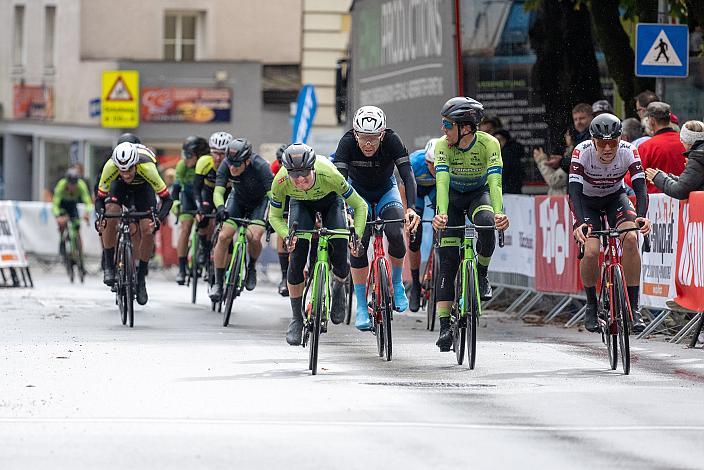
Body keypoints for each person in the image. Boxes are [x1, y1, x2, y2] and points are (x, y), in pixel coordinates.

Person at [268, 143, 368, 346]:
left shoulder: (330, 174)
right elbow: (274, 216)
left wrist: (355, 236)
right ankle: (296, 318)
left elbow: (360, 205)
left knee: (340, 256)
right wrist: (287, 235)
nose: (301, 179)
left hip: (331, 201)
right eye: (294, 175)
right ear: (287, 172)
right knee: (296, 258)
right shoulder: (280, 181)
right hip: (300, 205)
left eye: (305, 173)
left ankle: (339, 285)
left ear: (313, 167)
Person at [432, 97, 510, 352]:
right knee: (448, 261)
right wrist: (441, 213)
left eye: (447, 124)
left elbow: (495, 182)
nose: (443, 129)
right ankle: (444, 326)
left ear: (465, 127)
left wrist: (499, 213)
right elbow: (441, 182)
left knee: (487, 224)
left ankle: (482, 274)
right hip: (452, 199)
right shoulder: (444, 146)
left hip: (479, 194)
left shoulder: (489, 144)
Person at [333, 105, 420, 331]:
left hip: (385, 190)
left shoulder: (392, 140)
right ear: (355, 134)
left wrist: (411, 208)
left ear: (382, 135)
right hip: (357, 194)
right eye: (363, 138)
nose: (368, 144)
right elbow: (340, 182)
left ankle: (398, 284)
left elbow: (408, 175)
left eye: (373, 138)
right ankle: (362, 306)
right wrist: (345, 213)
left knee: (395, 231)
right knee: (359, 244)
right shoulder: (346, 143)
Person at [568, 113, 651, 334]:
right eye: (602, 143)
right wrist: (578, 223)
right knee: (592, 251)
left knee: (631, 238)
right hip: (586, 201)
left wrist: (641, 216)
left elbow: (641, 188)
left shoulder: (628, 151)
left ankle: (634, 307)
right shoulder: (581, 152)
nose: (607, 148)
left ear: (620, 138)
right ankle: (591, 305)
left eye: (612, 142)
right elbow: (573, 192)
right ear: (593, 141)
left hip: (615, 197)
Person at [95, 142, 173, 305]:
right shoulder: (111, 167)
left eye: (129, 169)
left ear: (136, 164)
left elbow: (167, 200)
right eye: (122, 170)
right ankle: (109, 265)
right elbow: (100, 199)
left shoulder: (148, 168)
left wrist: (158, 218)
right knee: (110, 213)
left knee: (148, 229)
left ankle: (141, 278)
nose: (126, 174)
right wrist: (100, 216)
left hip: (143, 188)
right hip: (119, 188)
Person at [209, 138, 273, 302]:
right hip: (237, 200)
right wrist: (221, 208)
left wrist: (274, 217)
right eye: (230, 163)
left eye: (237, 165)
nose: (232, 168)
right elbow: (218, 191)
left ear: (247, 160)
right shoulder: (226, 164)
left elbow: (272, 195)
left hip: (259, 203)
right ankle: (218, 282)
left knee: (253, 236)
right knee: (223, 236)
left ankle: (251, 266)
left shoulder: (260, 166)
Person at [172, 136, 210, 284]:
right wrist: (175, 202)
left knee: (208, 227)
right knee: (185, 227)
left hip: (204, 197)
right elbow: (176, 188)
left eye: (188, 155)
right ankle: (182, 268)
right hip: (188, 198)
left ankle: (205, 256)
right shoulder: (182, 166)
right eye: (184, 155)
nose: (185, 159)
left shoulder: (207, 163)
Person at [192, 132, 233, 267]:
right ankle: (204, 248)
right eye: (214, 153)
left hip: (226, 194)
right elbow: (196, 188)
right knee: (203, 218)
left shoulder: (232, 165)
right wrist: (199, 207)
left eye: (222, 154)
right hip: (208, 192)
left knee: (228, 226)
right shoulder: (203, 162)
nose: (217, 157)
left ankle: (227, 264)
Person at [408, 138, 438, 312]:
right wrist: (408, 213)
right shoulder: (414, 162)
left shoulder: (446, 160)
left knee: (445, 223)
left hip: (436, 189)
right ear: (425, 161)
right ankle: (415, 285)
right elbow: (405, 190)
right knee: (414, 237)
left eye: (436, 164)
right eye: (430, 164)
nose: (433, 168)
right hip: (417, 191)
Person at [636, 102, 686, 194]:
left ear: (652, 121)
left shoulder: (646, 147)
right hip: (684, 202)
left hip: (656, 204)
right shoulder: (685, 142)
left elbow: (634, 177)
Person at [646, 120, 704, 198]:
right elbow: (691, 183)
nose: (682, 143)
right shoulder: (699, 157)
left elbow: (680, 190)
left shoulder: (697, 158)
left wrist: (658, 178)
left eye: (682, 140)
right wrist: (667, 177)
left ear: (688, 142)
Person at [53, 168, 93, 260]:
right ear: (67, 182)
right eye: (70, 184)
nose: (72, 187)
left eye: (74, 184)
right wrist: (58, 216)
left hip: (72, 205)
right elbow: (55, 204)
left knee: (77, 229)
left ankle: (80, 257)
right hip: (62, 205)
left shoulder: (81, 185)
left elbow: (88, 201)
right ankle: (62, 240)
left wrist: (87, 212)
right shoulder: (61, 185)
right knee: (62, 223)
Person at [270, 143, 291, 296]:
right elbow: (273, 196)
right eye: (280, 163)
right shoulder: (275, 168)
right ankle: (284, 276)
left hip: (301, 190)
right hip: (283, 195)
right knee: (281, 227)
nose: (283, 166)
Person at [493, 128, 525, 194]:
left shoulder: (506, 154)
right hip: (512, 192)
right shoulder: (512, 152)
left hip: (505, 192)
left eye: (500, 140)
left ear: (506, 140)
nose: (498, 143)